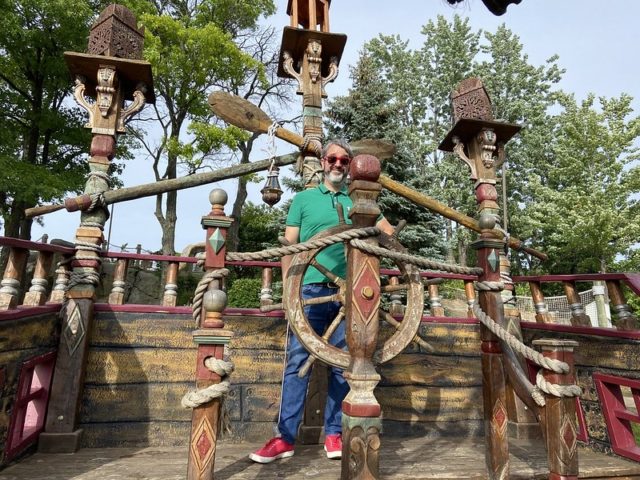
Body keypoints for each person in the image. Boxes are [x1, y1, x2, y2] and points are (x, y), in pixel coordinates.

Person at [249, 139, 393, 464]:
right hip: (309, 293)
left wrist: (390, 245)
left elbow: (389, 236)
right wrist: (290, 293)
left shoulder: (359, 202)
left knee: (343, 366)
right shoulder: (303, 200)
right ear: (323, 163)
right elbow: (289, 246)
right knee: (296, 364)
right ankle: (284, 438)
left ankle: (334, 434)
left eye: (344, 160)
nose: (338, 164)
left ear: (350, 166)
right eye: (333, 159)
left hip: (351, 299)